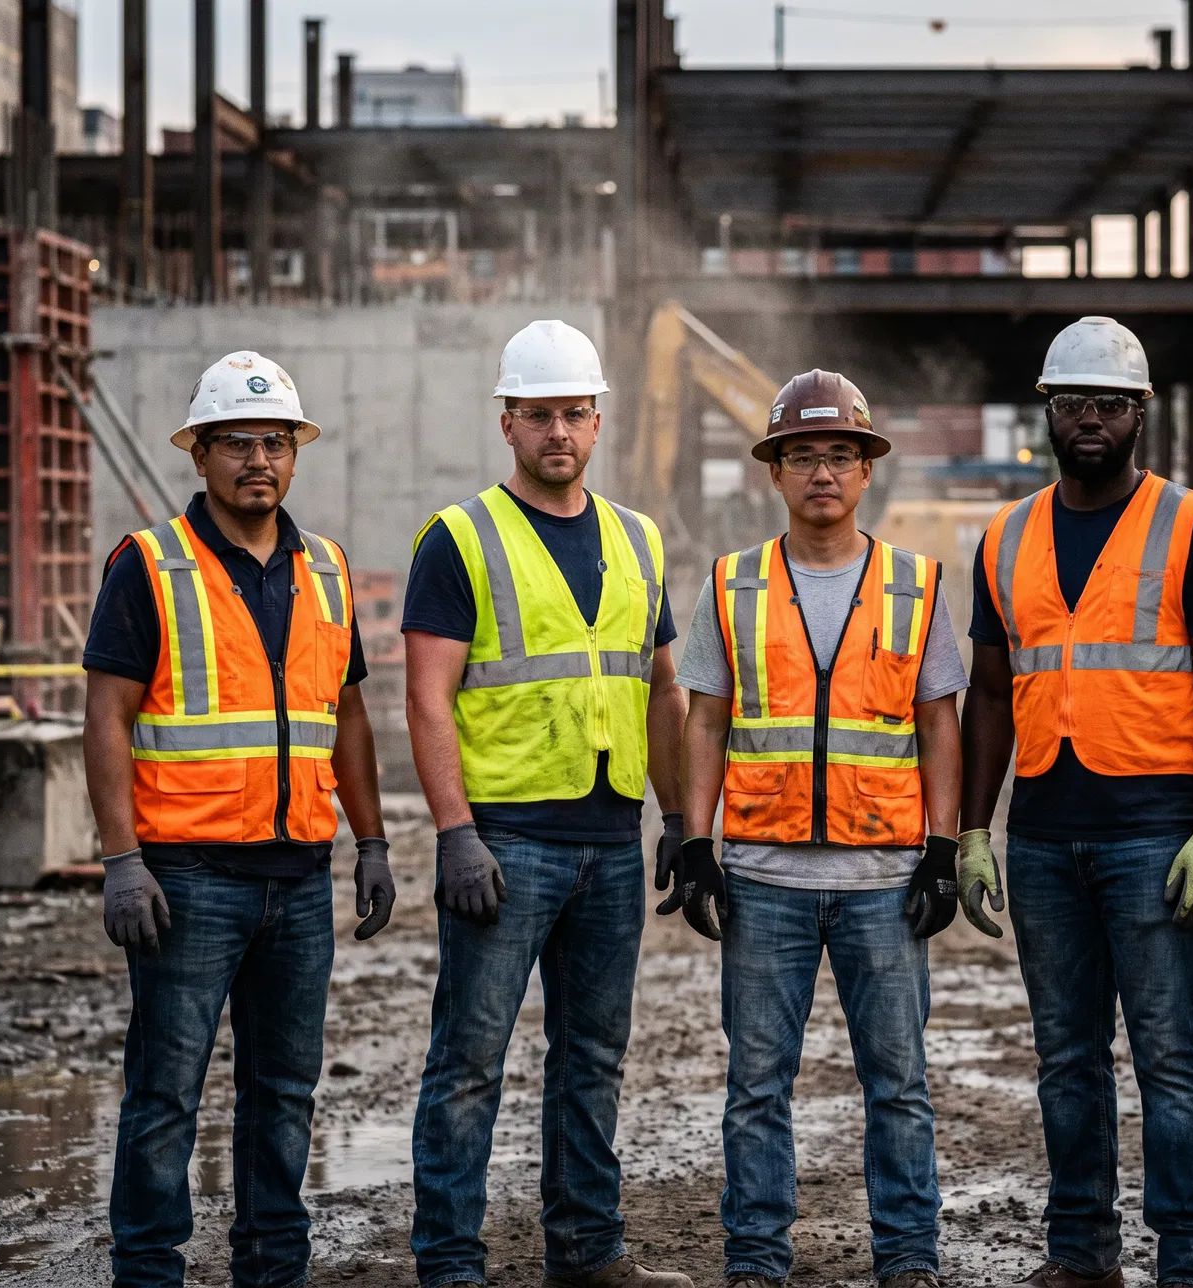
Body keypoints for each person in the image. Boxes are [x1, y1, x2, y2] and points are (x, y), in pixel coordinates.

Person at [958, 317, 1193, 1288]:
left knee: (1171, 1056)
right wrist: (972, 827)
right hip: (1044, 835)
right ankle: (1080, 1250)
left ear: (1140, 417)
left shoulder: (1191, 525)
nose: (1091, 421)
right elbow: (992, 695)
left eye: (1110, 405)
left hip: (1154, 837)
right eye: (1073, 403)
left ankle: (1189, 1259)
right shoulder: (1004, 538)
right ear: (1049, 412)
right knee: (1066, 1060)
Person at [84, 350, 390, 1288]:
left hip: (298, 877)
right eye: (236, 443)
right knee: (167, 1093)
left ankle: (273, 1268)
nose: (258, 459)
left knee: (286, 1094)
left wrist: (372, 841)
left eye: (275, 441)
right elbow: (106, 716)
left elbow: (347, 714)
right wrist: (121, 861)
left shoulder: (328, 569)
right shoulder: (149, 564)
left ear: (295, 455)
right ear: (200, 454)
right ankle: (148, 1272)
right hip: (186, 879)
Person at [402, 319, 691, 1288]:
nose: (558, 429)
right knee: (470, 1062)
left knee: (594, 1059)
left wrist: (683, 822)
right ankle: (449, 1263)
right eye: (539, 414)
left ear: (598, 422)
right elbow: (426, 694)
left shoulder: (639, 539)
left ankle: (587, 1252)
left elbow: (662, 689)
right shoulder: (460, 538)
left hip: (610, 842)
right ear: (509, 422)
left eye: (574, 412)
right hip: (506, 843)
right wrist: (454, 834)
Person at [672, 369, 966, 1288]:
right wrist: (696, 844)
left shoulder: (915, 585)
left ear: (867, 469)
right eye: (804, 456)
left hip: (884, 880)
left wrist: (944, 850)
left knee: (901, 1089)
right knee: (757, 1089)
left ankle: (908, 1258)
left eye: (841, 454)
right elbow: (706, 720)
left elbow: (939, 723)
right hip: (764, 878)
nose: (823, 472)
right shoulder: (732, 585)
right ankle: (756, 1258)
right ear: (776, 472)